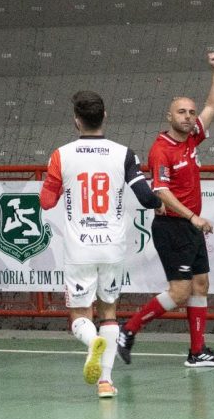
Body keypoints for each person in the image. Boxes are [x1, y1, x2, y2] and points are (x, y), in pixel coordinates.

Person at [39, 90, 162, 398]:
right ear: (105, 116)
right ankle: (105, 382)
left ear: (76, 121)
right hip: (113, 246)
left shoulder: (61, 155)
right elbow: (146, 198)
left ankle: (91, 340)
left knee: (80, 315)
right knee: (109, 312)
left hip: (79, 248)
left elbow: (46, 201)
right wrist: (159, 202)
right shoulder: (124, 153)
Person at [117, 52, 214, 368]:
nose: (189, 116)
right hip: (172, 227)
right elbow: (161, 191)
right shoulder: (161, 150)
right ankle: (128, 330)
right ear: (169, 117)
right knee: (179, 293)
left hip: (191, 228)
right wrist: (192, 216)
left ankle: (197, 352)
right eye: (181, 112)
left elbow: (213, 105)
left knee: (201, 285)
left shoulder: (192, 139)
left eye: (191, 112)